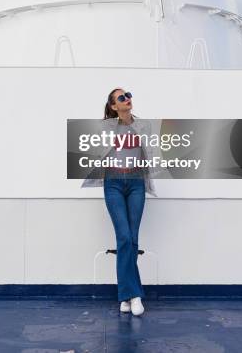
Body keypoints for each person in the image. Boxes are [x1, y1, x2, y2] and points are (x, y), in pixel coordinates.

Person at [81, 88, 158, 316]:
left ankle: (125, 295)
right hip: (113, 182)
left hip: (136, 183)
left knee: (132, 239)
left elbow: (150, 153)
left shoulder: (144, 125)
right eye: (122, 98)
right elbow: (94, 150)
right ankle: (135, 295)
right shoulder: (104, 128)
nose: (128, 99)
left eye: (129, 95)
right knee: (123, 236)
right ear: (114, 106)